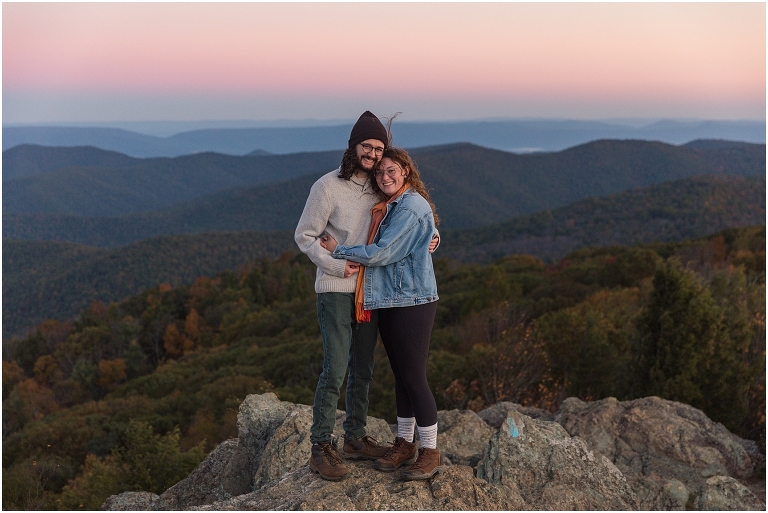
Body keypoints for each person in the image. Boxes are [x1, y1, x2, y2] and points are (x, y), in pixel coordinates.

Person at [295, 111, 438, 481]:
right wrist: (335, 265)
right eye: (367, 147)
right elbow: (305, 237)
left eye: (378, 149)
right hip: (336, 288)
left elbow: (410, 216)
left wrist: (433, 237)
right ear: (353, 146)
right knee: (336, 367)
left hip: (371, 293)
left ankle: (355, 438)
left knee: (364, 369)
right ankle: (320, 446)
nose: (374, 156)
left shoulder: (378, 185)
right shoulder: (326, 187)